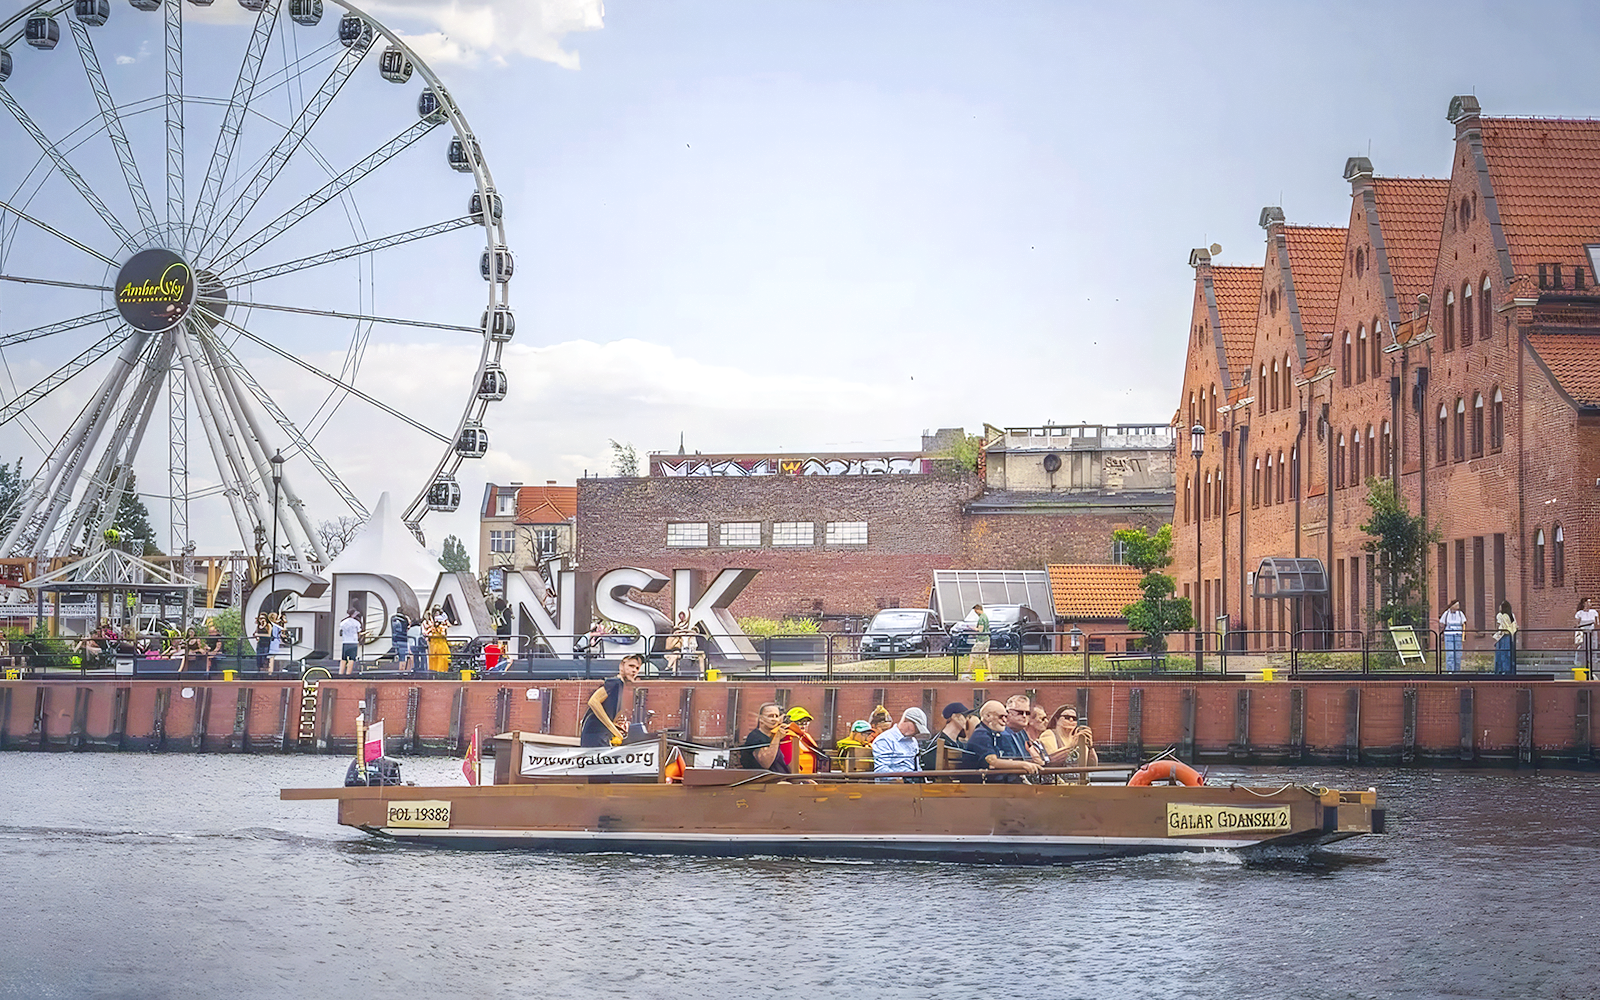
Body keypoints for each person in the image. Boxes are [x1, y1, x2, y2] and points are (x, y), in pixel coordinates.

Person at [959, 700, 1041, 782]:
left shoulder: (993, 734)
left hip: (992, 784)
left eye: (1006, 717)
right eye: (1001, 717)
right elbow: (993, 762)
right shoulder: (981, 734)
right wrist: (1023, 765)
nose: (1005, 720)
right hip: (978, 787)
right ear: (988, 716)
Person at [578, 653, 642, 747]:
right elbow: (593, 702)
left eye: (637, 668)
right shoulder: (614, 682)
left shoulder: (621, 686)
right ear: (621, 667)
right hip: (595, 734)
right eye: (631, 666)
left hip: (600, 734)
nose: (634, 670)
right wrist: (615, 731)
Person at [1040, 705, 1097, 783]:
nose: (1071, 720)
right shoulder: (1050, 734)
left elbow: (1092, 765)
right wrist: (1071, 746)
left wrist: (1090, 746)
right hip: (1057, 783)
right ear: (1057, 719)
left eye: (1074, 718)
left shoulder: (1077, 738)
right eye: (1067, 717)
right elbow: (1051, 761)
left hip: (1077, 784)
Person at [871, 707, 930, 779]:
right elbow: (881, 770)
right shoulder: (884, 740)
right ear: (906, 721)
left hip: (911, 784)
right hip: (892, 787)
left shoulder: (913, 742)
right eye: (916, 727)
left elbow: (917, 767)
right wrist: (900, 780)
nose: (918, 731)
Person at [736, 702, 790, 773]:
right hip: (763, 780)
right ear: (760, 718)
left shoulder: (776, 736)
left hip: (783, 778)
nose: (774, 719)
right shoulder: (755, 736)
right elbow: (765, 763)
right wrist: (777, 737)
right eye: (770, 716)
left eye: (776, 716)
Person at [922, 702, 969, 773]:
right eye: (965, 716)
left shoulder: (960, 744)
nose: (967, 720)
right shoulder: (937, 744)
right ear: (955, 717)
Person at [778, 706, 825, 773]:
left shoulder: (804, 737)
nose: (803, 725)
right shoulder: (787, 737)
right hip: (797, 779)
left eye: (806, 722)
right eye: (799, 722)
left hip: (810, 777)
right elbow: (786, 762)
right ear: (789, 722)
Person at [1440, 599, 1467, 673]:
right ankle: (1450, 670)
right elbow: (1442, 623)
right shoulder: (1446, 613)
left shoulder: (1460, 614)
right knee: (1450, 653)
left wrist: (1463, 635)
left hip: (1458, 635)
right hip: (1449, 635)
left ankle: (1457, 670)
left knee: (1458, 653)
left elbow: (1464, 623)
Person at [664, 611, 695, 675]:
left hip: (677, 652)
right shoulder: (670, 638)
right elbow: (668, 647)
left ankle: (671, 669)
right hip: (670, 652)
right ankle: (670, 668)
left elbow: (679, 646)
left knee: (676, 655)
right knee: (674, 656)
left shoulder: (681, 639)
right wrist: (676, 638)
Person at [1494, 601, 1518, 675]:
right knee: (1509, 654)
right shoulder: (1512, 615)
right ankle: (1510, 670)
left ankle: (1501, 670)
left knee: (1502, 654)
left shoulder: (1501, 616)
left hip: (1503, 636)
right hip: (1510, 636)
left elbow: (1499, 626)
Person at [1575, 598, 1597, 671]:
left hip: (1592, 631)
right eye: (1588, 602)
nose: (1590, 604)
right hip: (1583, 631)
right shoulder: (1580, 613)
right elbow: (1577, 624)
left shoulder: (1594, 612)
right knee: (1582, 646)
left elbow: (1597, 623)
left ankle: (1592, 661)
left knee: (1593, 646)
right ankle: (1580, 661)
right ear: (1584, 603)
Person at [426, 607, 450, 673]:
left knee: (441, 660)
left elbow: (444, 633)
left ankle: (440, 673)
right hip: (435, 646)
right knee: (436, 661)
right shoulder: (431, 625)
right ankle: (436, 673)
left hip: (439, 645)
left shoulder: (441, 626)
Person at [338, 608, 361, 676]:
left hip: (345, 642)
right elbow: (359, 633)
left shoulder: (343, 622)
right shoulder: (356, 622)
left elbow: (340, 633)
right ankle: (348, 674)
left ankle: (341, 673)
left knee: (343, 658)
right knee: (352, 659)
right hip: (353, 642)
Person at [970, 603, 992, 673]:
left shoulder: (981, 618)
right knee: (985, 657)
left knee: (972, 655)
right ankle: (989, 673)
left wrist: (973, 628)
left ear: (978, 610)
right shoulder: (985, 616)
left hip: (981, 640)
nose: (976, 613)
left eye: (975, 611)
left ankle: (968, 672)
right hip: (987, 639)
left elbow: (980, 630)